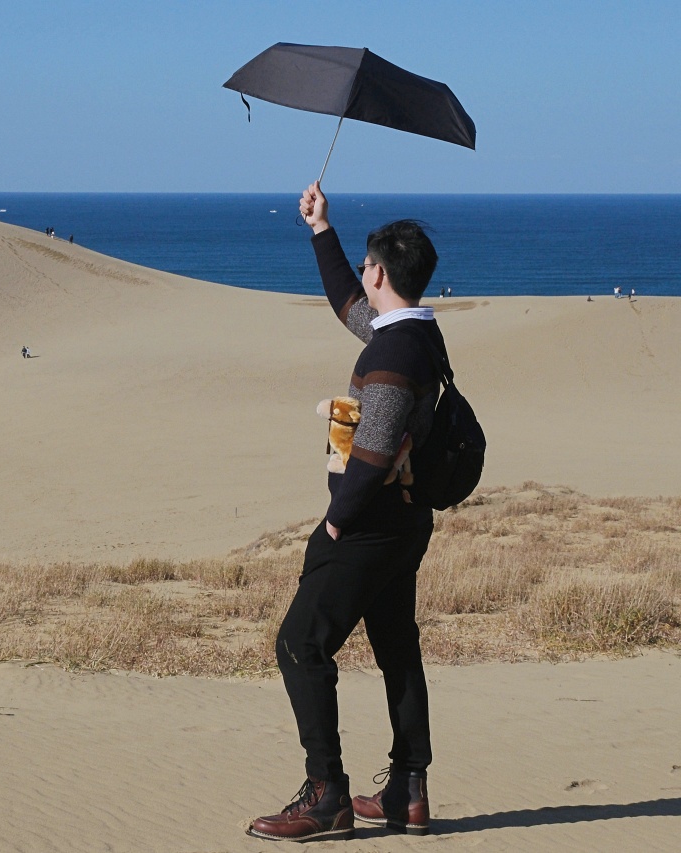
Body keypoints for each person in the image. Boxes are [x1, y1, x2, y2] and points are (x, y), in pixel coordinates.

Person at [250, 183, 443, 842]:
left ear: (382, 270)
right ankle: (408, 791)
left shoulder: (392, 356)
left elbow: (377, 444)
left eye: (366, 265)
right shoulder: (415, 333)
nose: (363, 277)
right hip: (406, 523)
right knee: (395, 648)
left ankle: (327, 792)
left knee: (300, 643)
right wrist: (321, 230)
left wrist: (337, 518)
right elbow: (350, 308)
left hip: (369, 525)